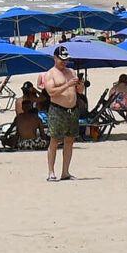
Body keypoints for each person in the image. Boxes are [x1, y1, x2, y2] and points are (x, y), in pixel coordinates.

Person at [37, 46, 83, 181]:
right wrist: (67, 85)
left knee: (70, 140)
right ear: (55, 58)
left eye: (66, 59)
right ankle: (51, 172)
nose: (64, 62)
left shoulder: (71, 72)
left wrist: (79, 84)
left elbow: (80, 92)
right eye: (62, 59)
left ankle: (65, 172)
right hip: (57, 110)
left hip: (72, 110)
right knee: (54, 140)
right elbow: (51, 92)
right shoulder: (50, 74)